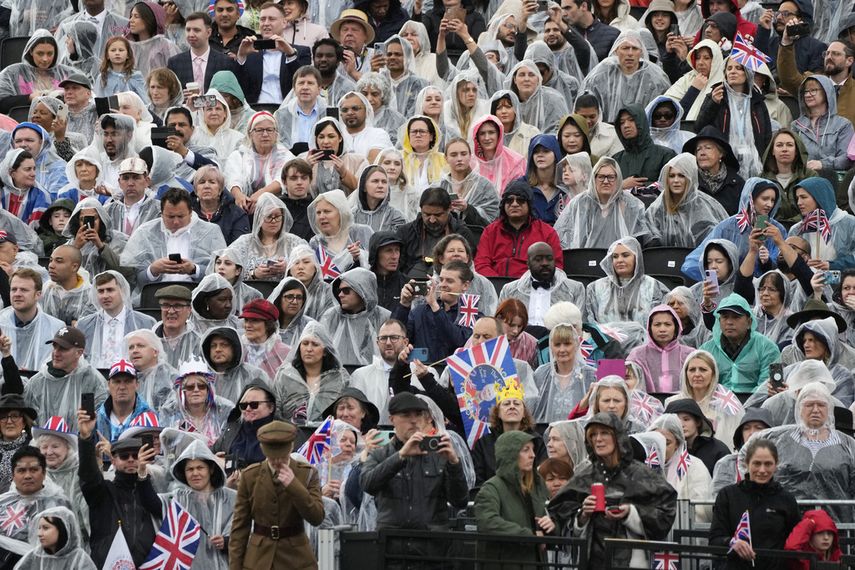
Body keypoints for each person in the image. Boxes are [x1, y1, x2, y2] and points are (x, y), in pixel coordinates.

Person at [548, 412, 677, 568]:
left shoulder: (640, 474)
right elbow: (558, 513)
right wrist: (583, 515)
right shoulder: (586, 476)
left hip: (631, 561)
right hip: (592, 561)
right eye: (593, 434)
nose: (598, 439)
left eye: (604, 433)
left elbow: (666, 510)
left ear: (618, 437)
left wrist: (631, 513)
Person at [360, 391, 468, 551]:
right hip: (392, 550)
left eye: (418, 414)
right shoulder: (381, 454)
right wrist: (401, 456)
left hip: (433, 550)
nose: (413, 420)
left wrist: (454, 463)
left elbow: (459, 501)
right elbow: (368, 484)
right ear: (392, 420)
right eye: (405, 415)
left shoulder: (440, 453)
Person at [229, 420, 324, 569]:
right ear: (262, 449)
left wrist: (293, 485)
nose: (278, 461)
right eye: (273, 458)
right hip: (259, 559)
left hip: (297, 559)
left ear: (291, 447)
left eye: (283, 456)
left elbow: (317, 517)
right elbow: (239, 528)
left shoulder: (307, 473)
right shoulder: (250, 475)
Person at [709, 438, 800, 569]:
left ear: (776, 465)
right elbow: (714, 540)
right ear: (747, 463)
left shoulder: (786, 499)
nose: (762, 470)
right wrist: (732, 542)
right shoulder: (728, 495)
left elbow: (796, 541)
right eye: (756, 464)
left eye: (768, 464)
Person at [121, 188, 228, 294]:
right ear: (161, 214)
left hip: (197, 294)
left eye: (180, 216)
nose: (176, 222)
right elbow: (133, 279)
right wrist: (153, 270)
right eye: (171, 217)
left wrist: (194, 270)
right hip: (155, 294)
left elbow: (222, 273)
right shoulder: (145, 233)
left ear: (191, 212)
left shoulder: (210, 232)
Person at [474, 430, 554, 565]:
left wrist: (550, 526)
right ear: (510, 454)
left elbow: (542, 522)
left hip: (533, 562)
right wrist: (530, 537)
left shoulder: (536, 486)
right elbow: (487, 523)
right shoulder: (491, 488)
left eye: (533, 450)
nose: (533, 455)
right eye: (525, 450)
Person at [684, 178, 788, 282]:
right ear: (751, 198)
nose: (769, 204)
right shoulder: (727, 227)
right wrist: (716, 284)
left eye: (772, 200)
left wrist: (767, 262)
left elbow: (784, 266)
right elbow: (693, 263)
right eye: (765, 199)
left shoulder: (777, 230)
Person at [158, 439, 235, 569]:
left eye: (200, 468)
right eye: (190, 469)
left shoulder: (232, 498)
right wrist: (142, 472)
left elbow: (248, 534)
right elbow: (151, 502)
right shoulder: (177, 498)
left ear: (211, 469)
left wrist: (227, 542)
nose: (195, 473)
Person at [24, 326, 108, 430]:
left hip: (81, 443)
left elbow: (103, 419)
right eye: (55, 347)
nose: (56, 353)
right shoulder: (38, 381)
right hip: (44, 444)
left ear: (79, 352)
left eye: (63, 348)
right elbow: (26, 418)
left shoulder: (93, 380)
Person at [554, 157, 649, 249]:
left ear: (618, 178)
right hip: (584, 261)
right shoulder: (579, 203)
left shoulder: (631, 203)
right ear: (594, 179)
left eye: (611, 177)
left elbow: (640, 240)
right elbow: (561, 237)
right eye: (601, 177)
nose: (606, 181)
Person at [0, 447, 70, 568]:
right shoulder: (3, 501)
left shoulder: (58, 507)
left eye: (33, 470)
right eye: (21, 470)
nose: (27, 476)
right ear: (13, 475)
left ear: (44, 473)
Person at [580, 30, 671, 124]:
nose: (630, 53)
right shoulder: (601, 73)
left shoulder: (656, 77)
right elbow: (585, 103)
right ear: (616, 50)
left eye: (635, 48)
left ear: (641, 52)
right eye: (625, 48)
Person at [475, 183, 562, 279]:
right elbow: (481, 265)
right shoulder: (490, 231)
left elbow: (556, 267)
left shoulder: (547, 232)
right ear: (503, 204)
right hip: (496, 286)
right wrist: (499, 283)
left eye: (520, 200)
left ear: (529, 204)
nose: (514, 204)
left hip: (533, 287)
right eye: (509, 200)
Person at [699, 293, 782, 394]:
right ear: (719, 320)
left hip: (757, 407)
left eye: (736, 317)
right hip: (715, 405)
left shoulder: (768, 348)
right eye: (725, 317)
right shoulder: (706, 350)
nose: (729, 322)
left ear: (749, 322)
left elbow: (771, 386)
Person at [472, 378, 546, 488]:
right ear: (498, 413)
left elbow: (542, 477)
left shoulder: (536, 442)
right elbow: (479, 482)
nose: (512, 406)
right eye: (506, 404)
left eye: (516, 403)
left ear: (524, 413)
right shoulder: (483, 444)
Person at [645, 153, 729, 248]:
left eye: (681, 175)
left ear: (690, 178)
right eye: (672, 176)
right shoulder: (657, 208)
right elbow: (650, 237)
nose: (676, 180)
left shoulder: (704, 205)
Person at [273, 322, 348, 424]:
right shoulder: (285, 375)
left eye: (315, 344)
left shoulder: (340, 378)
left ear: (325, 351)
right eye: (305, 343)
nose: (309, 349)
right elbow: (275, 409)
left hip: (327, 436)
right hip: (291, 435)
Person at [585, 237, 670, 327]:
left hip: (643, 340)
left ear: (637, 258)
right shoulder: (595, 288)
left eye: (625, 255)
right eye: (615, 256)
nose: (620, 260)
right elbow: (591, 324)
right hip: (607, 341)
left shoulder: (654, 287)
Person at [395, 187, 478, 278]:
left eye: (438, 215)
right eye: (427, 214)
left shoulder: (462, 234)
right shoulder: (405, 232)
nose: (432, 220)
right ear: (421, 209)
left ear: (449, 209)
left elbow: (467, 268)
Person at [497, 241, 583, 328]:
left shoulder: (574, 288)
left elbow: (579, 325)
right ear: (528, 264)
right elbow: (500, 323)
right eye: (538, 259)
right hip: (521, 338)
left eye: (549, 259)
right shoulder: (509, 290)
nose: (545, 263)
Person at [223, 111, 294, 213]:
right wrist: (239, 196)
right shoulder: (238, 155)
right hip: (243, 207)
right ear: (250, 134)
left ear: (276, 134)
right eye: (259, 130)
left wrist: (261, 194)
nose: (265, 134)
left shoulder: (285, 155)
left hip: (277, 207)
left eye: (269, 130)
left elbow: (281, 180)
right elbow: (233, 180)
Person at [648, 413, 713, 523]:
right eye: (656, 442)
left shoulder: (695, 466)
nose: (660, 447)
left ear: (677, 443)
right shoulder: (643, 465)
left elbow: (701, 511)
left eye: (667, 443)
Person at [320, 267, 391, 367]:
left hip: (372, 377)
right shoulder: (331, 316)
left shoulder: (383, 316)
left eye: (346, 291)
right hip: (338, 375)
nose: (340, 295)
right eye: (339, 290)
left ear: (362, 291)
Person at [158, 358, 234, 446]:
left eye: (201, 386)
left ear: (208, 390)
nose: (196, 390)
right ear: (182, 391)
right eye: (190, 387)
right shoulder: (169, 413)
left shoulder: (225, 410)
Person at [0, 270, 63, 372]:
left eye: (24, 290)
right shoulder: (1, 322)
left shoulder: (56, 327)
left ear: (38, 294)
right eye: (13, 289)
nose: (17, 294)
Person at [532, 323, 597, 423]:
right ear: (551, 347)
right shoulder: (541, 374)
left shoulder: (592, 375)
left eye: (567, 344)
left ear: (576, 345)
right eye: (557, 345)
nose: (562, 350)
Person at [788, 177, 855, 270]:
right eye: (797, 198)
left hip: (844, 282)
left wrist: (832, 265)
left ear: (820, 197)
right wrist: (803, 264)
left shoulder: (850, 223)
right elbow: (789, 261)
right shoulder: (796, 230)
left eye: (803, 197)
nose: (799, 202)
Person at [0, 31, 74, 114]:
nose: (45, 59)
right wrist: (29, 98)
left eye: (50, 54)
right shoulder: (13, 73)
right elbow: (2, 103)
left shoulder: (67, 73)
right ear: (31, 51)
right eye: (40, 53)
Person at [792, 75, 854, 172]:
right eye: (806, 91)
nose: (808, 95)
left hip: (834, 180)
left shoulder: (843, 125)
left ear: (826, 92)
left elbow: (847, 158)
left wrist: (822, 164)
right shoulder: (796, 125)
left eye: (813, 90)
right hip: (802, 178)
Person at [212, 382, 278, 474]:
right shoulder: (232, 429)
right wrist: (214, 460)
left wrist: (229, 464)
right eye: (243, 405)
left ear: (271, 407)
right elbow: (211, 454)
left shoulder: (282, 433)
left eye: (254, 405)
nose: (248, 408)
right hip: (228, 486)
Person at [438, 137, 498, 230]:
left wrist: (467, 209)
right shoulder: (438, 186)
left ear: (470, 156)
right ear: (446, 158)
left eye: (463, 154)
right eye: (453, 155)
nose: (459, 159)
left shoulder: (484, 186)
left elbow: (492, 219)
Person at [167, 12, 237, 91]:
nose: (191, 34)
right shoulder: (175, 63)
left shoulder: (224, 62)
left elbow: (229, 94)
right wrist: (182, 97)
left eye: (196, 30)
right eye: (188, 30)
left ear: (208, 32)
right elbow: (171, 95)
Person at [711, 407, 774, 496]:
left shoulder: (782, 464)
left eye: (758, 428)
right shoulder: (727, 464)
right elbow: (719, 501)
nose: (752, 433)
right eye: (746, 428)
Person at [308, 189, 373, 274]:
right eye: (318, 213)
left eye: (327, 211)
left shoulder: (362, 232)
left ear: (341, 213)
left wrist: (360, 255)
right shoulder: (316, 243)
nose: (321, 216)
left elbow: (377, 263)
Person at [613, 105, 677, 191]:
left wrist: (640, 186)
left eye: (631, 120)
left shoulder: (666, 155)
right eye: (621, 122)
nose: (626, 126)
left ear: (641, 122)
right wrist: (621, 185)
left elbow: (674, 184)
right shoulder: (616, 160)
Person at [760, 128, 818, 223]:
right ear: (772, 151)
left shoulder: (810, 176)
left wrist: (792, 226)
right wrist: (762, 235)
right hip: (769, 230)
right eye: (779, 145)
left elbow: (816, 209)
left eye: (789, 145)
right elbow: (758, 213)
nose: (784, 149)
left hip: (804, 229)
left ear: (796, 150)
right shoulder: (761, 179)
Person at [13, 506, 96, 570]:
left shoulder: (79, 559)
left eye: (45, 528)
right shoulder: (35, 556)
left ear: (62, 528)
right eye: (39, 528)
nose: (39, 534)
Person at [663, 398, 730, 475]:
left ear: (698, 422)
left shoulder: (718, 449)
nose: (681, 424)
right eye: (676, 420)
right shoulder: (665, 450)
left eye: (686, 419)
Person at [190, 164, 249, 245]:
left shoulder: (236, 214)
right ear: (196, 190)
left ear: (220, 189)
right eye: (202, 182)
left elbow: (239, 248)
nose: (206, 186)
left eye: (212, 182)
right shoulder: (187, 212)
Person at [152, 285, 202, 368]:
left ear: (189, 310)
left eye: (177, 306)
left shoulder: (199, 343)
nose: (171, 311)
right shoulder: (149, 341)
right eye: (166, 305)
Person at [351, 165, 407, 233]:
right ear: (364, 187)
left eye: (384, 182)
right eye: (375, 181)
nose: (380, 186)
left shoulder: (396, 217)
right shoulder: (352, 215)